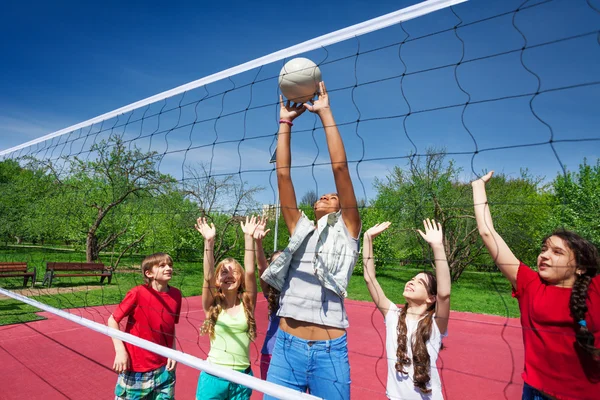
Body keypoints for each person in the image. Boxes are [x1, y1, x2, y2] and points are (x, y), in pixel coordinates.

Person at [261, 81, 362, 399]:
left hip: (329, 351)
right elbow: (282, 175)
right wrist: (285, 121)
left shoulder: (348, 229)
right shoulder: (299, 226)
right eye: (324, 195)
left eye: (334, 196)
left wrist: (325, 112)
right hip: (287, 347)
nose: (328, 194)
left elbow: (341, 169)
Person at [472, 171, 600, 400]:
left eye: (557, 252)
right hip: (535, 393)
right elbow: (487, 233)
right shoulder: (530, 284)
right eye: (543, 249)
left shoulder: (596, 288)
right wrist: (478, 186)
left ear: (581, 267)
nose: (545, 256)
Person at [363, 220, 451, 399]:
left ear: (430, 298)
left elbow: (444, 294)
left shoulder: (436, 326)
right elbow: (369, 278)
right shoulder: (393, 316)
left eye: (420, 282)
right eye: (412, 278)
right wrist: (367, 239)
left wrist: (437, 246)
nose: (411, 282)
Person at [195, 216, 259, 400]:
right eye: (224, 272)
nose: (229, 275)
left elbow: (250, 271)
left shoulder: (248, 302)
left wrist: (249, 237)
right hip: (213, 376)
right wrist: (209, 242)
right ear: (217, 280)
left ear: (241, 280)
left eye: (234, 272)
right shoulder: (212, 304)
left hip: (242, 377)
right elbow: (207, 276)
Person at [108, 253, 182, 400]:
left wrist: (173, 352)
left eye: (170, 265)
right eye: (162, 265)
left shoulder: (176, 294)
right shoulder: (137, 293)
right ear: (149, 273)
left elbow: (170, 327)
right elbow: (112, 320)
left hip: (164, 368)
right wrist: (120, 350)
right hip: (137, 367)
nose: (168, 268)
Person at [252, 217, 283, 379]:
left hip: (295, 356)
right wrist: (258, 243)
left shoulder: (300, 288)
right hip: (271, 353)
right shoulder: (271, 290)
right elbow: (261, 268)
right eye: (276, 264)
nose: (280, 268)